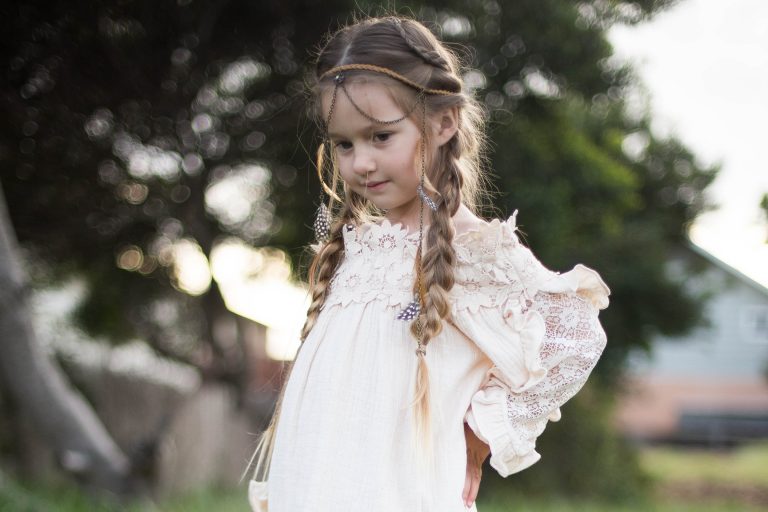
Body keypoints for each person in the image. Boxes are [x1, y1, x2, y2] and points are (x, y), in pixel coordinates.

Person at [244, 14, 610, 512]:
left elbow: (576, 335)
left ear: (442, 122)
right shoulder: (359, 250)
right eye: (344, 144)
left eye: (380, 137)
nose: (360, 163)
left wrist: (482, 434)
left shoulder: (476, 252)